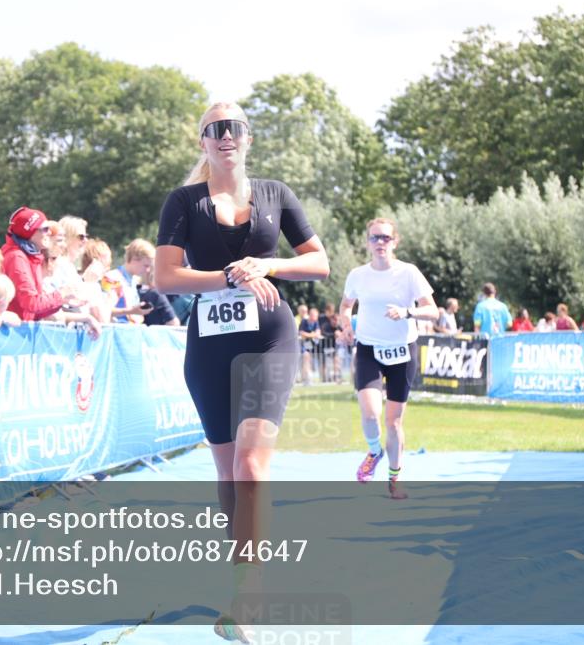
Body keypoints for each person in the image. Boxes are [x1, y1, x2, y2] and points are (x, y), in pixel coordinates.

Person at [154, 101, 328, 641]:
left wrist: (268, 263)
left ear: (248, 138)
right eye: (215, 129)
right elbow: (165, 276)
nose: (226, 136)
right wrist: (229, 276)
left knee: (252, 466)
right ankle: (243, 578)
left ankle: (248, 602)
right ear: (202, 142)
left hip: (270, 339)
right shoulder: (183, 202)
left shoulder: (276, 194)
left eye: (235, 128)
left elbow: (319, 263)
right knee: (229, 474)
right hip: (208, 346)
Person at [338, 217, 438, 500]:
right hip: (369, 349)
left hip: (403, 351)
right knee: (370, 413)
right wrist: (346, 325)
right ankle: (373, 452)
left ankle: (394, 479)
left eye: (385, 238)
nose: (380, 242)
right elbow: (346, 305)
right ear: (367, 242)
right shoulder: (358, 275)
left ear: (395, 242)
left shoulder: (409, 273)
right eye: (374, 238)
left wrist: (408, 313)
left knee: (393, 422)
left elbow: (433, 311)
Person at [103, 239, 156, 324]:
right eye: (146, 265)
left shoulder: (134, 280)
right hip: (115, 332)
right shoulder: (112, 278)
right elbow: (104, 311)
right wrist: (131, 311)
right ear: (134, 259)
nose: (148, 270)